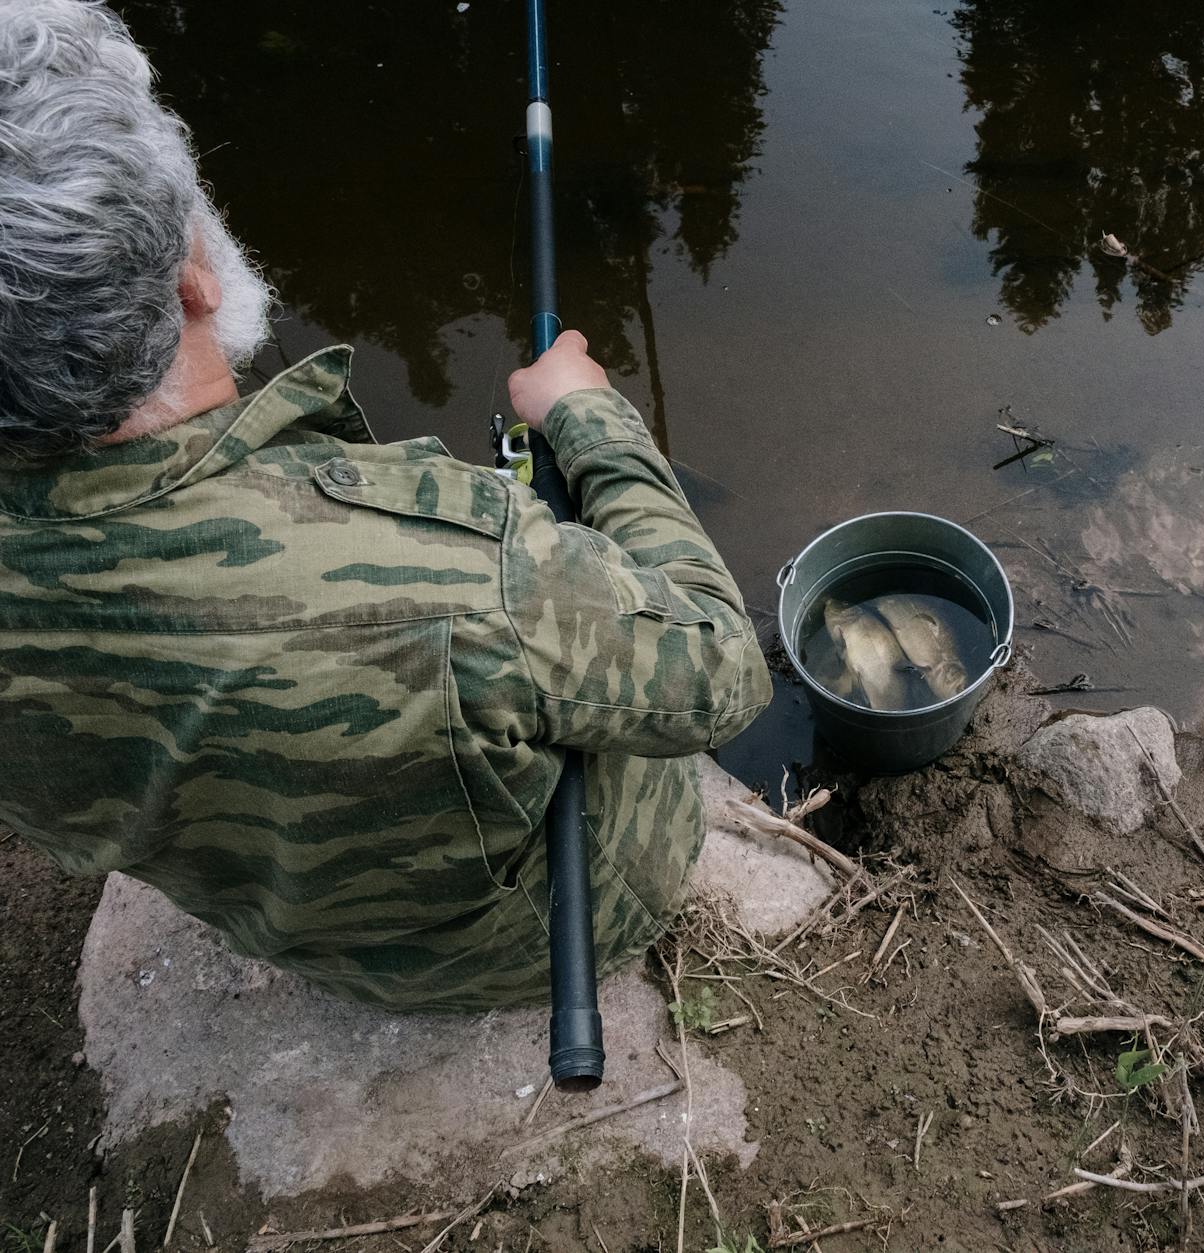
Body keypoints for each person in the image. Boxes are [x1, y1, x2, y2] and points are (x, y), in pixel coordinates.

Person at [0, 0, 772, 1009]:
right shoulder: (454, 577)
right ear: (191, 276)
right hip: (539, 937)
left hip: (307, 937)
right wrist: (592, 421)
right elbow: (724, 663)